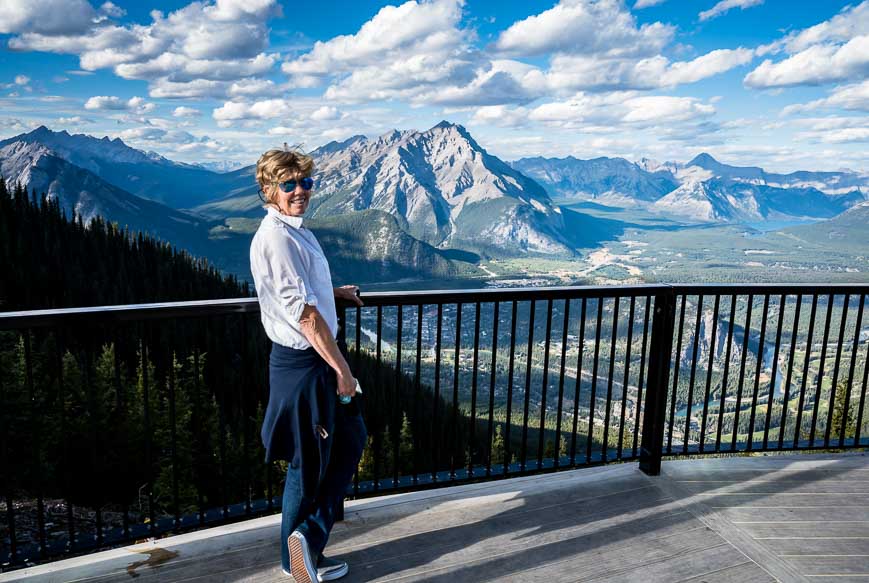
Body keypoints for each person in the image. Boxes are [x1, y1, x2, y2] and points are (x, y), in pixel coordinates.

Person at [249, 147, 367, 583]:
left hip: (309, 361)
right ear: (268, 189)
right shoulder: (277, 237)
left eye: (305, 182)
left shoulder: (293, 232)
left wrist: (330, 291)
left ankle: (303, 545)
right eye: (288, 184)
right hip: (306, 364)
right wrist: (343, 371)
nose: (300, 191)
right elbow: (305, 316)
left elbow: (299, 293)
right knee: (307, 462)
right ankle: (298, 554)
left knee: (351, 438)